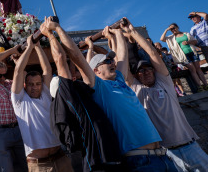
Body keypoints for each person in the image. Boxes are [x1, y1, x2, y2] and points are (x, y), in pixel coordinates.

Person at [86, 22, 177, 171]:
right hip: (140, 161)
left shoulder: (119, 81)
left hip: (162, 155)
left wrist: (118, 32)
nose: (112, 62)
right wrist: (90, 47)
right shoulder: (100, 89)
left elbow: (122, 56)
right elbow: (84, 65)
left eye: (111, 60)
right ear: (96, 71)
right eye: (107, 61)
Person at [123, 19, 208, 171]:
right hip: (166, 154)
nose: (146, 71)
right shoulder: (137, 89)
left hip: (190, 147)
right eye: (141, 70)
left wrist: (133, 32)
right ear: (136, 76)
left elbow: (152, 53)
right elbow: (124, 67)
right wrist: (118, 37)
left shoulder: (164, 82)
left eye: (149, 68)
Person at [42, 18, 122, 171]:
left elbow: (77, 59)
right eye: (69, 78)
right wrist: (50, 34)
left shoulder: (84, 95)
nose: (74, 77)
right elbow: (60, 59)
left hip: (114, 160)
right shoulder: (69, 96)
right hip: (98, 165)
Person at [11, 35, 74, 172]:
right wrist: (29, 47)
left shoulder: (45, 94)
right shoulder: (19, 101)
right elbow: (18, 71)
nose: (35, 87)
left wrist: (38, 46)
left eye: (38, 84)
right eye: (31, 84)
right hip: (39, 165)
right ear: (25, 85)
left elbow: (47, 70)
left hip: (61, 156)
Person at [160, 23, 207, 92]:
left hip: (192, 52)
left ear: (177, 27)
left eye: (174, 28)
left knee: (198, 69)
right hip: (183, 56)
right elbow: (162, 39)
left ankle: (206, 85)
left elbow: (195, 41)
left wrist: (188, 42)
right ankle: (199, 86)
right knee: (192, 70)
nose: (173, 30)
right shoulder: (171, 37)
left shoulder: (186, 33)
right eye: (171, 29)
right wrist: (166, 30)